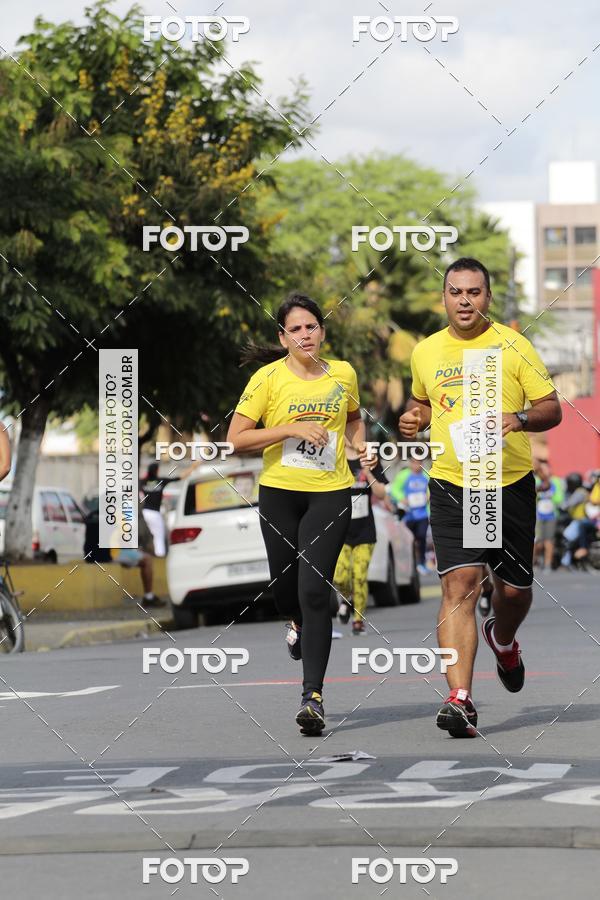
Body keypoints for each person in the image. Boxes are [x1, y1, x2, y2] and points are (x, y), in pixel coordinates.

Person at [400, 257, 562, 738]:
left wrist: (520, 419)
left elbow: (551, 408)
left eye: (474, 292)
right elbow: (424, 403)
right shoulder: (425, 351)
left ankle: (504, 638)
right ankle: (460, 699)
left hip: (507, 482)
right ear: (444, 297)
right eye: (456, 292)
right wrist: (415, 418)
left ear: (487, 298)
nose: (464, 300)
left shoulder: (514, 345)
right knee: (461, 587)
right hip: (453, 481)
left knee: (512, 591)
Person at [227, 292, 375, 736]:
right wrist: (290, 427)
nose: (305, 335)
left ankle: (313, 696)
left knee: (316, 592)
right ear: (283, 337)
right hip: (279, 493)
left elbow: (353, 418)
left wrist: (359, 444)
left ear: (322, 332)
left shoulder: (343, 373)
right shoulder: (268, 379)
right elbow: (236, 438)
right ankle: (294, 622)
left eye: (312, 327)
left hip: (330, 492)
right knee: (286, 592)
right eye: (296, 329)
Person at [334, 437, 388, 634]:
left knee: (359, 576)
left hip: (365, 531)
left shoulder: (369, 457)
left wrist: (367, 472)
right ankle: (346, 599)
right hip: (341, 530)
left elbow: (382, 493)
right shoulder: (334, 457)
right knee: (339, 575)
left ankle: (358, 620)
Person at [140, 460, 198, 557]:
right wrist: (193, 467)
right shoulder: (161, 481)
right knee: (158, 537)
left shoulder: (143, 481)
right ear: (157, 471)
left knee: (144, 537)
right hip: (155, 513)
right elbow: (180, 477)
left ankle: (145, 555)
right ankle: (160, 557)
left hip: (144, 512)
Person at [111, 510, 166, 608]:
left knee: (142, 557)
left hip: (109, 552)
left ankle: (149, 597)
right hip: (115, 553)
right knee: (147, 560)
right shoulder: (120, 514)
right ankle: (148, 597)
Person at [389, 455, 430, 576]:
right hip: (408, 514)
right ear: (411, 463)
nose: (417, 466)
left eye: (419, 463)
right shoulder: (404, 475)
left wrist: (428, 496)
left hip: (422, 514)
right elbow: (394, 489)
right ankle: (409, 565)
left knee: (421, 538)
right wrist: (402, 499)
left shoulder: (425, 476)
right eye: (415, 463)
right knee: (408, 541)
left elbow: (431, 489)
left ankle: (421, 563)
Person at [534, 462, 563, 569]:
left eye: (546, 469)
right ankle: (534, 561)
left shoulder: (555, 481)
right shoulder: (536, 481)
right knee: (537, 541)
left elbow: (559, 498)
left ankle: (547, 564)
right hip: (538, 515)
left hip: (551, 515)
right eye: (542, 469)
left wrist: (550, 493)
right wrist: (539, 489)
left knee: (549, 541)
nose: (545, 471)